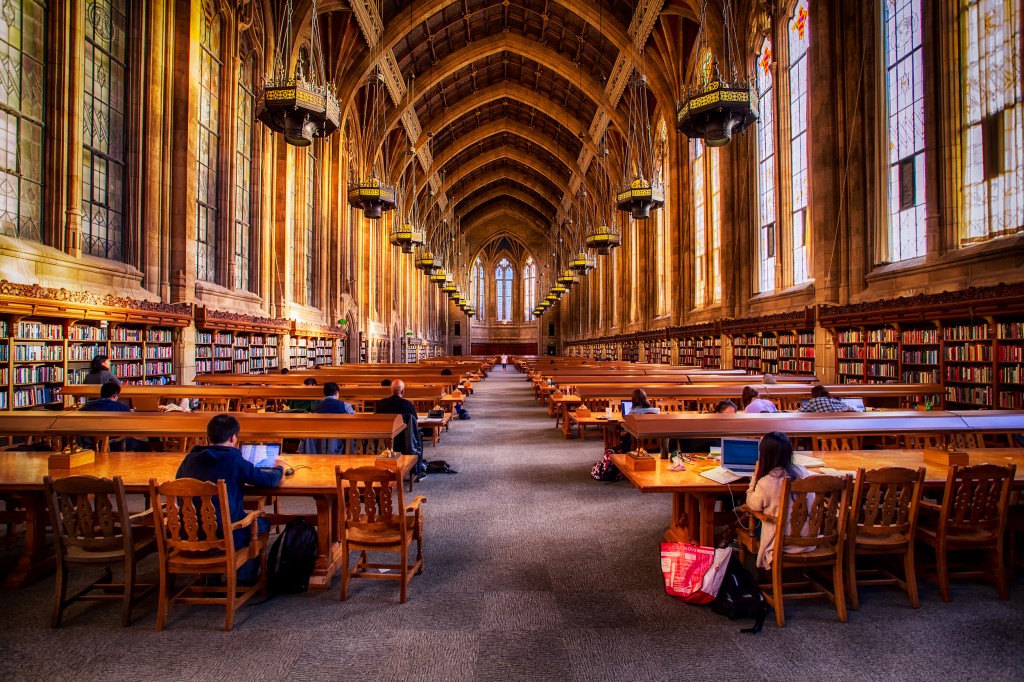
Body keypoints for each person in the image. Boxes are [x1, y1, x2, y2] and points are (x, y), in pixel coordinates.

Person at [176, 414, 285, 583]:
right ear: (234, 437)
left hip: (191, 532)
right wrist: (279, 468)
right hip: (226, 533)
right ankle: (244, 578)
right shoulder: (234, 460)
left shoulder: (189, 459)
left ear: (208, 437)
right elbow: (269, 481)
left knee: (218, 519)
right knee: (262, 523)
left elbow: (179, 483)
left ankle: (211, 576)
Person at [742, 432, 814, 570]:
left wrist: (755, 477)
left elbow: (752, 504)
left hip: (781, 541)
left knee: (749, 516)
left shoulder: (767, 481)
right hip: (808, 539)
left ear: (764, 455)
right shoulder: (802, 472)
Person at [376, 380, 424, 477]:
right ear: (402, 391)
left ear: (390, 390)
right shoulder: (408, 405)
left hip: (383, 441)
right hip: (405, 442)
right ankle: (415, 468)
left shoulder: (381, 403)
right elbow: (415, 424)